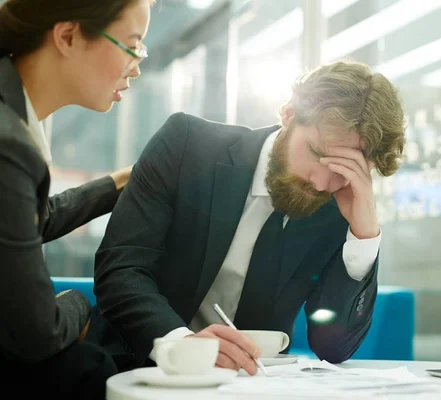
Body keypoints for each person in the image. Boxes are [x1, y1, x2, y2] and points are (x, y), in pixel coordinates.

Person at [90, 59, 406, 376]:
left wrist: (364, 236)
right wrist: (182, 345)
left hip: (251, 387)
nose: (321, 183)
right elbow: (121, 268)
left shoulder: (337, 206)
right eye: (316, 154)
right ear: (289, 114)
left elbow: (332, 346)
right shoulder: (186, 145)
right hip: (135, 369)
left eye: (342, 170)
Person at [0, 0, 154, 398]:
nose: (136, 66)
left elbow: (31, 217)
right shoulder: (8, 145)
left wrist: (119, 183)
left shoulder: (14, 120)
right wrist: (78, 303)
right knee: (88, 365)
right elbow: (38, 335)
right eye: (132, 45)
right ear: (68, 36)